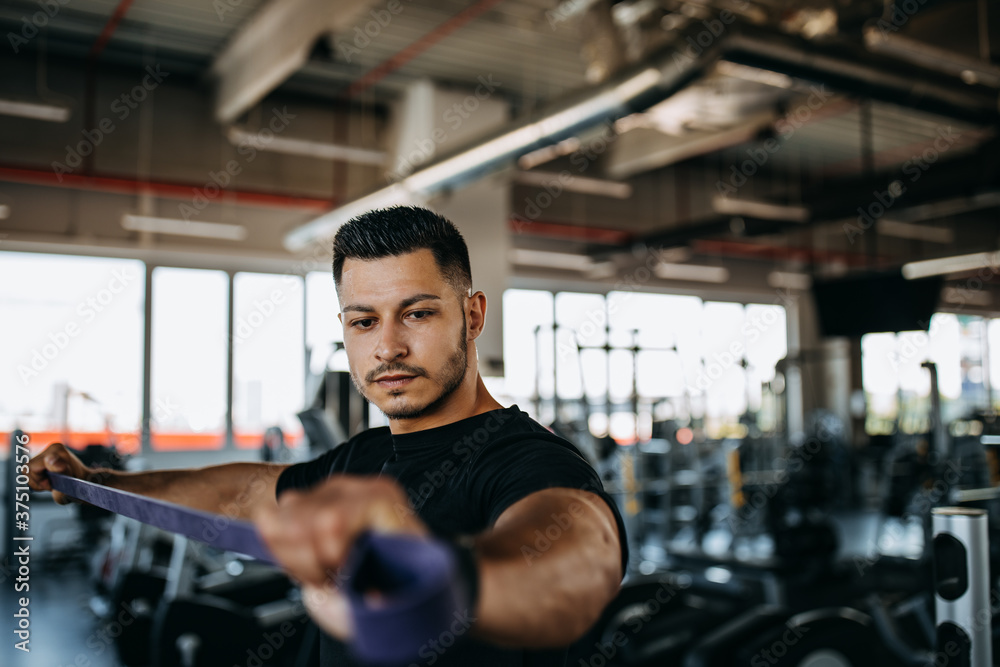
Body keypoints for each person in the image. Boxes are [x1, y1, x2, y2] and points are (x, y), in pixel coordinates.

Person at [28, 206, 628, 666]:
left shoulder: (529, 461)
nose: (387, 346)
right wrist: (98, 480)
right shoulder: (365, 456)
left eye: (417, 313)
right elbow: (251, 490)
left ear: (472, 316)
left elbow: (572, 559)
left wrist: (440, 579)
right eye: (364, 321)